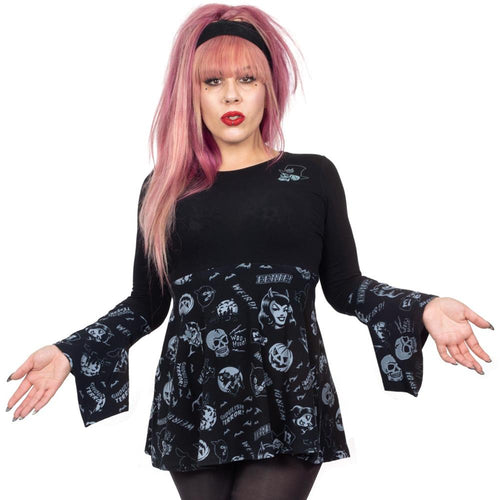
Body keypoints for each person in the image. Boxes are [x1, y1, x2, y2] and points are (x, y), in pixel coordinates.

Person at [5, 4, 494, 500]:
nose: (231, 95)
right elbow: (146, 304)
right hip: (194, 399)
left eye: (247, 79)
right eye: (212, 81)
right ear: (191, 93)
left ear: (269, 88)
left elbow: (345, 287)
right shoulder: (164, 188)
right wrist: (71, 352)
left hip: (288, 394)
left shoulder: (312, 176)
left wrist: (422, 306)